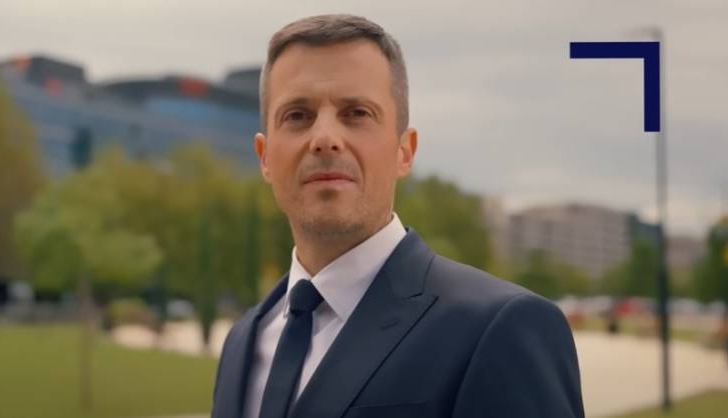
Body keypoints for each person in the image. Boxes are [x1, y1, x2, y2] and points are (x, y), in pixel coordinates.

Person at [212, 14, 585, 418]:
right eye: (298, 115)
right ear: (265, 157)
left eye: (357, 113)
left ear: (405, 151)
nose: (325, 139)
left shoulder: (501, 329)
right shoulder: (242, 343)